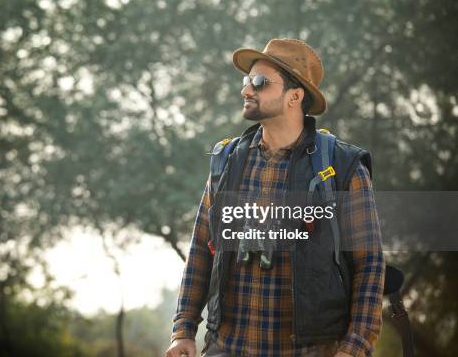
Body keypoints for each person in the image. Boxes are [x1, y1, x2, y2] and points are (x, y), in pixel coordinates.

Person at [165, 38, 385, 357]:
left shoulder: (341, 167)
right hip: (226, 347)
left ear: (295, 96)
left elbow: (370, 264)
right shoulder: (227, 161)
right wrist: (184, 329)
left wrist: (353, 348)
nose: (246, 90)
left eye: (260, 82)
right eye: (246, 81)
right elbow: (201, 248)